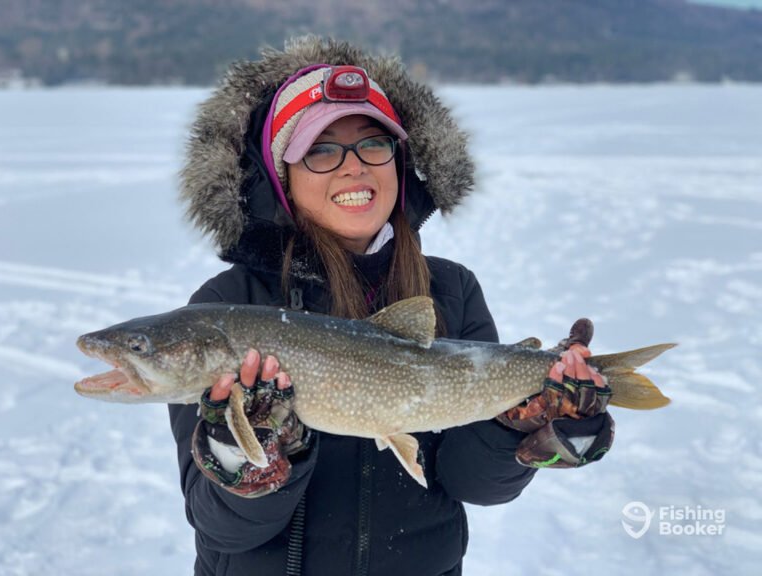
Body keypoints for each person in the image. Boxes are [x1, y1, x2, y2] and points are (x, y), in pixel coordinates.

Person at [169, 36, 614, 576]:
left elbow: (477, 485)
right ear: (280, 177)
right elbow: (222, 529)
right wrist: (244, 453)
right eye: (321, 150)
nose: (354, 167)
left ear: (399, 164)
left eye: (374, 144)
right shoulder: (226, 307)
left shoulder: (450, 289)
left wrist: (530, 420)